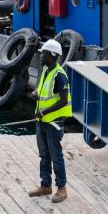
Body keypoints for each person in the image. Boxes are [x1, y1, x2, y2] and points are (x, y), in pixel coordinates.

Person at [27, 40, 71, 203]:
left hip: (53, 122)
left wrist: (44, 111)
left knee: (55, 155)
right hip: (42, 121)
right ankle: (45, 185)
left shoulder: (60, 75)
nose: (41, 55)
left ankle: (62, 188)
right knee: (44, 155)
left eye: (44, 53)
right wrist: (35, 93)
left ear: (52, 55)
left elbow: (64, 100)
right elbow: (44, 91)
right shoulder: (46, 71)